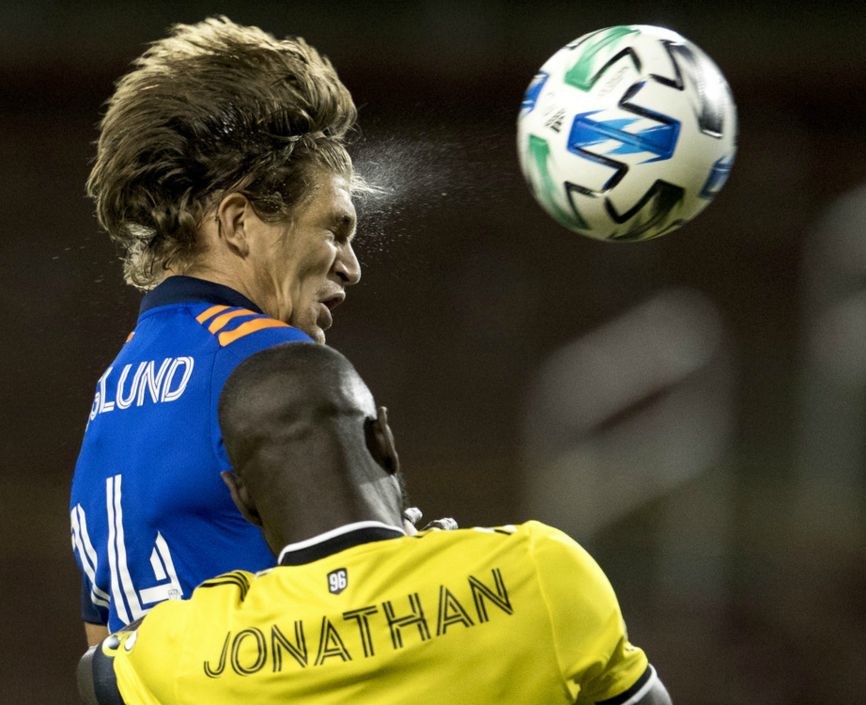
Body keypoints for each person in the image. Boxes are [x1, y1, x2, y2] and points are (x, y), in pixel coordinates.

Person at [78, 343, 673, 705]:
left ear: (242, 497)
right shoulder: (538, 569)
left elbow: (96, 673)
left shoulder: (192, 645)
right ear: (382, 440)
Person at [69, 16, 363, 646]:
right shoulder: (276, 367)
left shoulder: (109, 398)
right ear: (238, 224)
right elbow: (372, 626)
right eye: (334, 229)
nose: (350, 264)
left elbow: (101, 657)